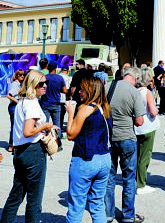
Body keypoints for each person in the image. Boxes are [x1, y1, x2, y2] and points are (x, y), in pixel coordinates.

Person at [0, 70, 54, 223]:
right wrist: (46, 125)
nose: (45, 86)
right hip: (33, 151)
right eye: (41, 84)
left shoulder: (23, 102)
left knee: (16, 195)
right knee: (34, 199)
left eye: (46, 83)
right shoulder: (32, 105)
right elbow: (28, 131)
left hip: (20, 152)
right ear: (33, 85)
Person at [65, 77, 113, 223]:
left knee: (76, 205)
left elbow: (70, 134)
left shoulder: (85, 109)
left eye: (82, 89)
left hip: (85, 159)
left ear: (90, 91)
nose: (79, 92)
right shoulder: (105, 108)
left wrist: (70, 112)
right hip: (104, 158)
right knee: (97, 204)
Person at [105, 67, 146, 223]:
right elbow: (139, 121)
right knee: (129, 178)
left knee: (109, 177)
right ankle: (128, 215)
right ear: (135, 78)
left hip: (109, 138)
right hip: (127, 138)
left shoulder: (108, 87)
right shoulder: (134, 92)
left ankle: (108, 214)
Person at [135, 68, 160, 194]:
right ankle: (141, 184)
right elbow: (153, 111)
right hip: (147, 126)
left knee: (137, 155)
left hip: (136, 126)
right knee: (145, 156)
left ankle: (136, 180)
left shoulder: (135, 91)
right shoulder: (147, 92)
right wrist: (156, 110)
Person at [41, 61, 67, 131]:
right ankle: (57, 140)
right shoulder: (60, 78)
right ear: (55, 68)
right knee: (57, 125)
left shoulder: (45, 77)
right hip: (56, 104)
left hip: (45, 103)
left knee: (44, 124)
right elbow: (65, 91)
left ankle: (45, 140)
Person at [7, 69, 25, 152]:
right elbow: (9, 95)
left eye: (23, 75)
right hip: (14, 106)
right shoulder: (15, 84)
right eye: (20, 74)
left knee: (17, 125)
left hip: (17, 106)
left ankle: (15, 143)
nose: (22, 76)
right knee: (14, 125)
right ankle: (11, 144)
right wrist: (18, 102)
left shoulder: (20, 84)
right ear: (16, 75)